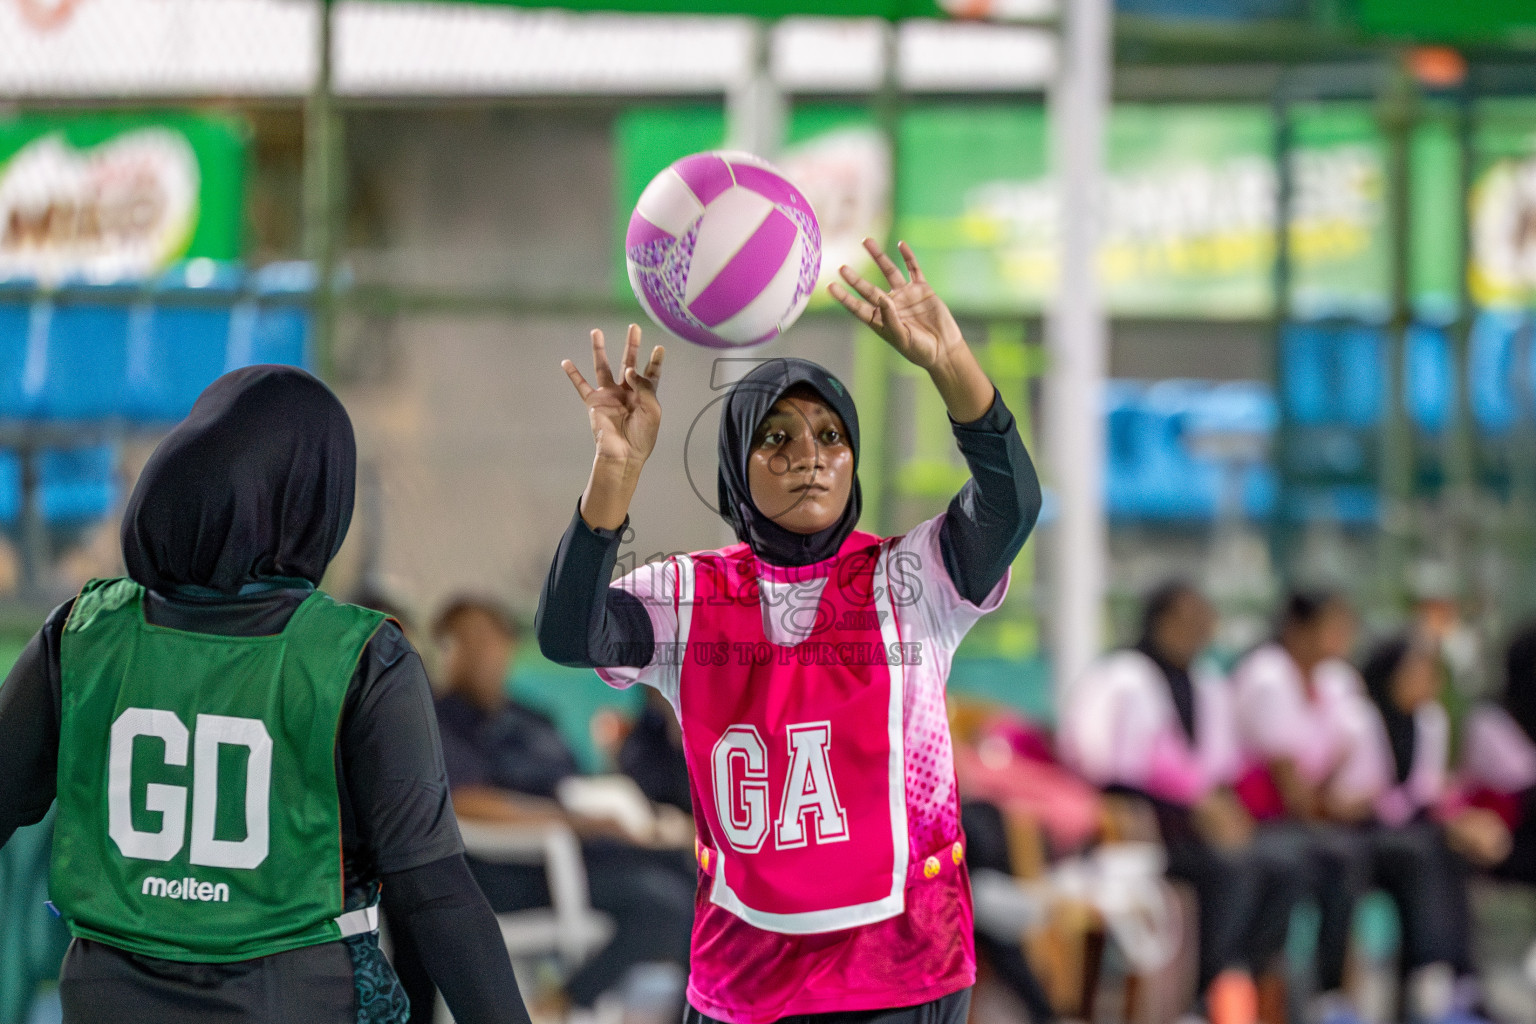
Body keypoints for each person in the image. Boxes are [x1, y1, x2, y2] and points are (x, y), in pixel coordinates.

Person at [536, 237, 1042, 1024]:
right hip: (744, 983)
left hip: (904, 973)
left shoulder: (916, 578)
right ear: (739, 464)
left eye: (830, 435)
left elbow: (1011, 507)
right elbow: (572, 634)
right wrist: (614, 475)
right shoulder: (688, 595)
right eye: (777, 437)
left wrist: (952, 365)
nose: (809, 455)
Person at [0, 366, 528, 1024]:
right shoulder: (359, 656)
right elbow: (436, 894)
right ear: (312, 499)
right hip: (291, 998)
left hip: (108, 998)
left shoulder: (81, 633)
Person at [417, 595, 695, 1021]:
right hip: (513, 870)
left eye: (495, 639)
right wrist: (570, 823)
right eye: (470, 639)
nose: (486, 652)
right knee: (668, 906)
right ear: (446, 649)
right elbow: (465, 803)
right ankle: (559, 1004)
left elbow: (572, 782)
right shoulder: (437, 722)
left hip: (584, 854)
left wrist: (624, 817)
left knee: (698, 881)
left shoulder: (530, 716)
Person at [1060, 582, 1303, 1024]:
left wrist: (1225, 812)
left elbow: (1217, 775)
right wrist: (1196, 813)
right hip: (1135, 826)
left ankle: (1233, 977)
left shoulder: (1207, 682)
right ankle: (1195, 999)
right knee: (1230, 868)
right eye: (1192, 617)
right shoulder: (1122, 678)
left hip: (1193, 824)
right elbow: (1110, 775)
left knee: (1282, 862)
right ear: (1163, 620)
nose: (1203, 628)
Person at [1229, 591, 1378, 1024]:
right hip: (1255, 819)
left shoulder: (1332, 684)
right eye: (1332, 627)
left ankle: (1329, 993)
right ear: (1299, 630)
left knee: (1347, 857)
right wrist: (1327, 803)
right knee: (1299, 860)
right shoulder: (1269, 674)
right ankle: (1254, 976)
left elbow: (1335, 774)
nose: (1341, 639)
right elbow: (1292, 788)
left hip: (1298, 820)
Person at [1357, 638, 1510, 1024]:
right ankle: (1438, 972)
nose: (1424, 680)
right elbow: (1370, 798)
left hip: (1414, 835)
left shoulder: (1430, 721)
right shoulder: (1362, 719)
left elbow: (1425, 793)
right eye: (1414, 670)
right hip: (1362, 834)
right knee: (1427, 850)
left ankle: (1455, 975)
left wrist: (1461, 824)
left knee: (1450, 852)